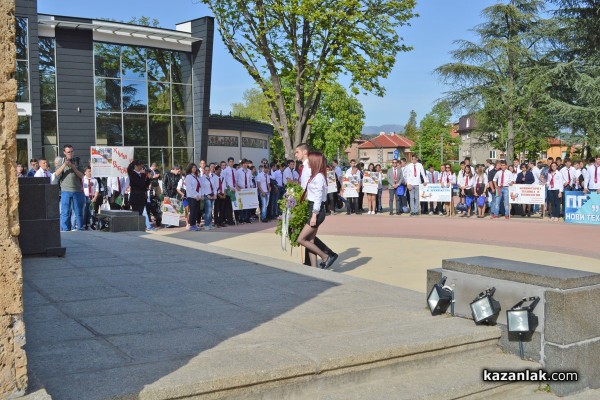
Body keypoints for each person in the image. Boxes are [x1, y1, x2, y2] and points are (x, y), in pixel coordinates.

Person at [296, 151, 337, 269]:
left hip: (316, 210)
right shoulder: (315, 175)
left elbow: (318, 198)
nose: (308, 162)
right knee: (310, 240)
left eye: (310, 160)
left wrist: (314, 215)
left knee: (301, 239)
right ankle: (314, 268)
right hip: (313, 208)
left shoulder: (319, 177)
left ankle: (325, 257)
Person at [54, 145, 85, 231]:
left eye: (72, 152)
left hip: (77, 190)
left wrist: (73, 167)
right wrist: (64, 165)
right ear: (64, 153)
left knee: (78, 212)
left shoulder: (78, 161)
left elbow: (82, 176)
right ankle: (64, 230)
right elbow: (56, 174)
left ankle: (80, 228)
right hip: (65, 190)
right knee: (65, 212)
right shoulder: (61, 161)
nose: (70, 154)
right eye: (68, 152)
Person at [184, 163, 202, 231]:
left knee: (196, 211)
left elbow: (199, 187)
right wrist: (195, 196)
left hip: (197, 196)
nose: (194, 168)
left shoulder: (196, 176)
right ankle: (191, 225)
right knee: (192, 211)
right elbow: (189, 188)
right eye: (193, 167)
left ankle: (194, 224)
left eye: (195, 167)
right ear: (190, 168)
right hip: (191, 197)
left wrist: (199, 195)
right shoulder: (188, 176)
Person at [235, 159, 254, 224]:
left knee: (247, 204)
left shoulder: (249, 171)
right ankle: (241, 218)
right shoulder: (238, 171)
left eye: (247, 163)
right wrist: (238, 186)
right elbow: (236, 180)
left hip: (248, 189)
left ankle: (247, 218)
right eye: (244, 163)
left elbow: (250, 180)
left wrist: (251, 186)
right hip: (241, 190)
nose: (246, 165)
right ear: (242, 164)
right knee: (241, 204)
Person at [81, 166, 99, 230]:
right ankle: (83, 225)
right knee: (84, 212)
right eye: (89, 171)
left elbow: (97, 189)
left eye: (91, 171)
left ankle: (89, 225)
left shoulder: (94, 180)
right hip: (84, 197)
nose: (90, 172)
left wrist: (95, 197)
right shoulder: (82, 179)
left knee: (90, 212)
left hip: (92, 198)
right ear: (85, 172)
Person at [201, 165, 216, 230]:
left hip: (212, 195)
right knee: (208, 210)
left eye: (208, 170)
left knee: (210, 211)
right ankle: (206, 224)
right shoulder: (202, 178)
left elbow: (214, 187)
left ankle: (209, 224)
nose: (207, 171)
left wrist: (215, 194)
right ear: (204, 171)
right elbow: (202, 188)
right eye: (206, 170)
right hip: (207, 196)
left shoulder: (211, 177)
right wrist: (207, 195)